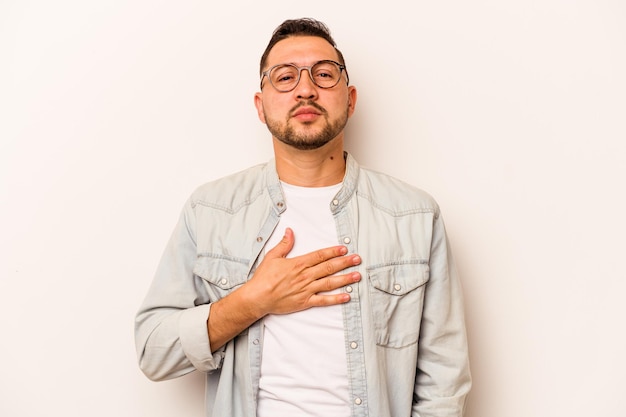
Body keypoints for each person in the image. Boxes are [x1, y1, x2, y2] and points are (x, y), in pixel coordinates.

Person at [135, 17, 471, 417]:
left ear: (350, 99)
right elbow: (153, 351)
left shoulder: (414, 216)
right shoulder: (210, 211)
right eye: (285, 77)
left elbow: (444, 382)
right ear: (261, 106)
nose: (306, 89)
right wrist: (252, 301)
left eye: (324, 75)